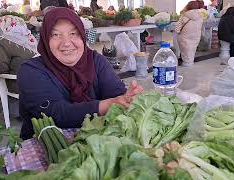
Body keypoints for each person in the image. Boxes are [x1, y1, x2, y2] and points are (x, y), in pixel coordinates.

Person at [18, 7, 143, 140]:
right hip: (47, 147)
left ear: (82, 36)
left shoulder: (95, 60)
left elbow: (116, 94)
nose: (66, 43)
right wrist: (108, 104)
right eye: (55, 35)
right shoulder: (30, 71)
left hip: (98, 141)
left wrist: (128, 97)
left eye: (73, 34)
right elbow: (54, 113)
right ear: (45, 40)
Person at [0, 15, 38, 118]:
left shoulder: (2, 40)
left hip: (20, 84)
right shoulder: (30, 37)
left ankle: (9, 114)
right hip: (40, 81)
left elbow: (1, 68)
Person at [175, 0, 204, 66]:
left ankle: (186, 62)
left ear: (188, 6)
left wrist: (178, 32)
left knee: (185, 49)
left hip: (184, 36)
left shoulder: (184, 15)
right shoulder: (201, 16)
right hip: (196, 36)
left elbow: (177, 28)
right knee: (192, 49)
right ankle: (190, 61)